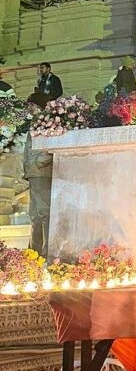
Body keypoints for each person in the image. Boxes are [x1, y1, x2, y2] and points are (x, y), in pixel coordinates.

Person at [22, 98, 53, 257]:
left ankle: (47, 252)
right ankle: (34, 253)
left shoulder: (49, 123)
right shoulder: (34, 124)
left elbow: (49, 151)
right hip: (33, 173)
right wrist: (28, 166)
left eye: (32, 105)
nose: (29, 109)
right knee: (34, 214)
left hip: (41, 173)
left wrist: (37, 163)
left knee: (44, 212)